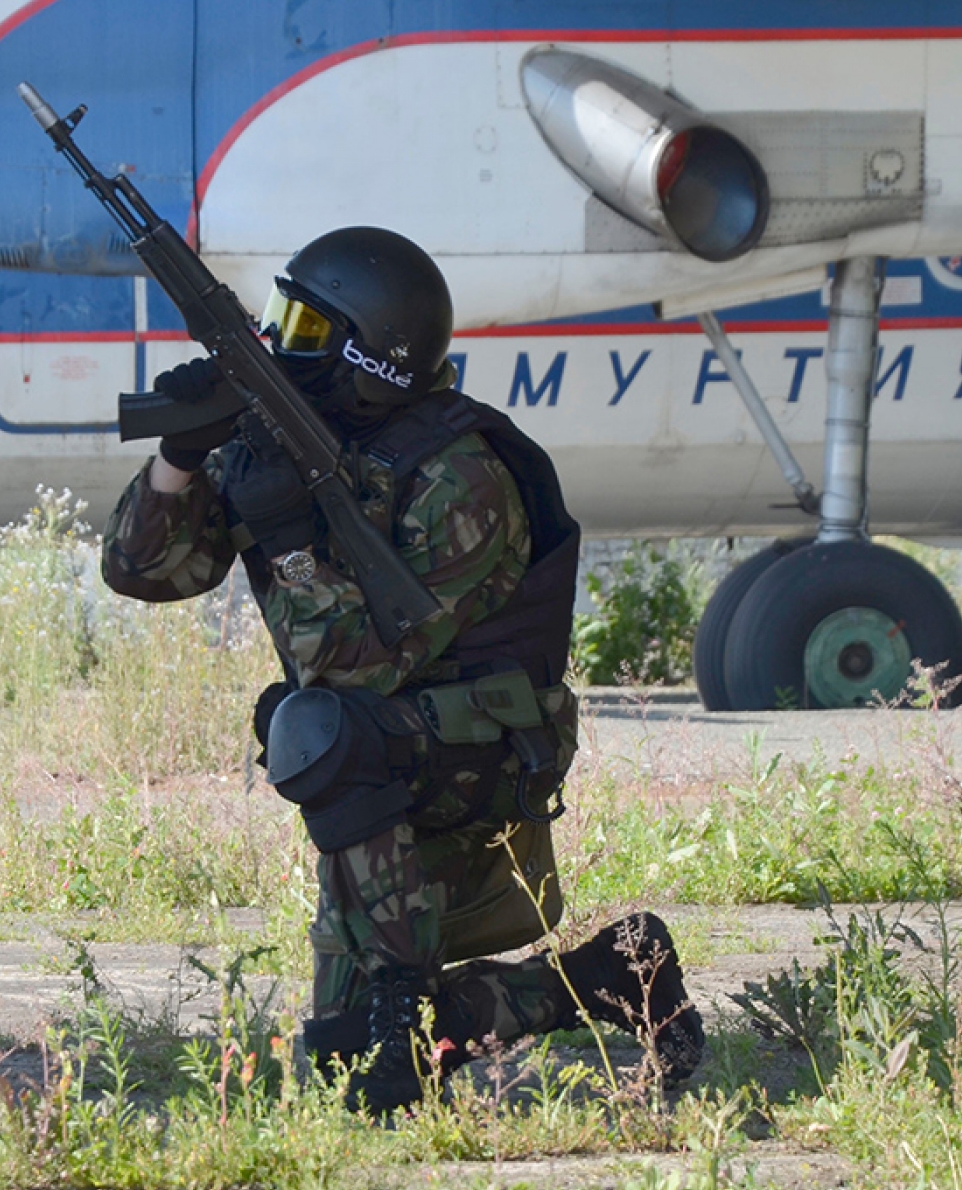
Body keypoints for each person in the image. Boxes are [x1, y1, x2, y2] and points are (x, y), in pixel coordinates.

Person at [100, 226, 703, 1113]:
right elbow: (144, 573)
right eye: (277, 321)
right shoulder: (294, 449)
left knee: (315, 726)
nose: (278, 347)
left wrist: (289, 539)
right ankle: (605, 975)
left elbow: (359, 667)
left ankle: (403, 1003)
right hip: (373, 758)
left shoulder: (461, 474)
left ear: (372, 360)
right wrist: (179, 459)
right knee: (348, 1069)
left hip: (483, 748)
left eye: (305, 332)